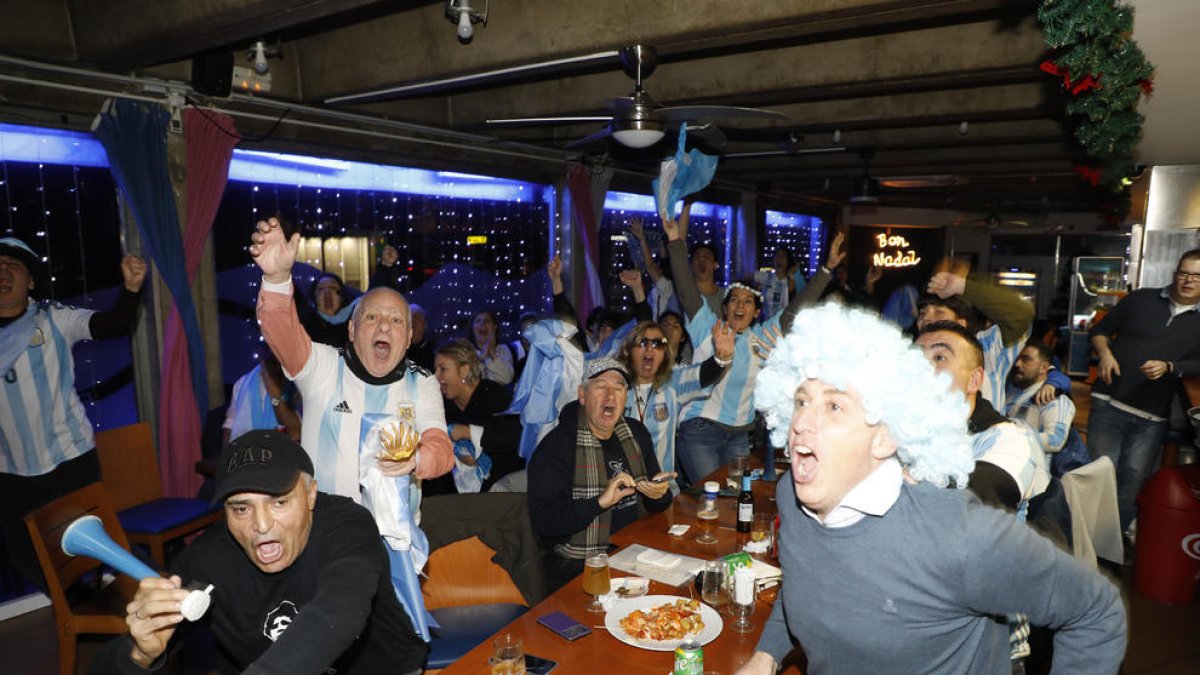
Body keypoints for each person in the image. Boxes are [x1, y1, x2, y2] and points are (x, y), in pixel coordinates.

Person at [736, 304, 1125, 675]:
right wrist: (767, 655)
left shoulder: (958, 534)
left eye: (834, 406)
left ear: (885, 438)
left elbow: (1097, 610)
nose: (802, 420)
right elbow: (809, 584)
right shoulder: (792, 492)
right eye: (801, 400)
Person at [94, 430, 427, 675]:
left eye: (279, 502)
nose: (261, 525)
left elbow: (338, 610)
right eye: (241, 508)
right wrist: (138, 653)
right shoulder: (206, 561)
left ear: (311, 495)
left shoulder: (347, 524)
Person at [250, 216, 453, 501]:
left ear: (408, 338)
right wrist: (275, 281)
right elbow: (283, 337)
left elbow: (442, 450)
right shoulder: (324, 367)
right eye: (372, 317)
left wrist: (416, 459)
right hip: (327, 531)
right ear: (352, 329)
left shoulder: (422, 382)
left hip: (395, 539)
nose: (383, 326)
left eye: (395, 320)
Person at [0, 237, 146, 589]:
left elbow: (112, 325)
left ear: (31, 281)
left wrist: (130, 290)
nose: (3, 272)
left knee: (97, 550)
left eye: (13, 266)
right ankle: (77, 610)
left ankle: (126, 607)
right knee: (25, 555)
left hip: (70, 460)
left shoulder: (53, 319)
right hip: (10, 471)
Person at [665, 205, 842, 485]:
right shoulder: (707, 327)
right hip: (700, 430)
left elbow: (797, 309)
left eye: (747, 302)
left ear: (756, 312)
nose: (740, 305)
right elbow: (686, 288)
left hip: (739, 436)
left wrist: (826, 269)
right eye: (733, 300)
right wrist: (675, 243)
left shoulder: (763, 336)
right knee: (714, 498)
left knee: (736, 502)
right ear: (724, 308)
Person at [527, 358, 673, 592]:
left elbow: (658, 504)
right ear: (582, 395)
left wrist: (660, 493)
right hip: (578, 566)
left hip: (635, 552)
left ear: (625, 399)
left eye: (618, 388)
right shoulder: (557, 447)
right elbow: (543, 521)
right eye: (601, 386)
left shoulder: (636, 433)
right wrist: (599, 503)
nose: (610, 396)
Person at [1087, 248, 1200, 537]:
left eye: (1197, 276)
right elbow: (1100, 330)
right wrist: (1105, 354)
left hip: (1152, 414)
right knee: (1100, 475)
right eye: (1184, 273)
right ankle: (1084, 537)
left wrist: (1170, 366)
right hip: (1108, 402)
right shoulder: (1141, 299)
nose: (1188, 281)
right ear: (1175, 273)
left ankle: (1110, 543)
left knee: (1133, 482)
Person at [915, 321, 1048, 511]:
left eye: (939, 358)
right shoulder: (897, 430)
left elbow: (973, 504)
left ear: (974, 380)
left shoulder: (1009, 440)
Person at [617, 318, 734, 493]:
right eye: (642, 342)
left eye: (658, 343)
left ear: (664, 353)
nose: (650, 348)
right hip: (622, 490)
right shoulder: (615, 386)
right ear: (628, 350)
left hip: (663, 489)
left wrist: (721, 359)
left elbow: (702, 375)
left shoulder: (672, 383)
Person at [919, 264, 1055, 412]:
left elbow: (1021, 313)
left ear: (961, 324)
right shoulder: (910, 356)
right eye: (922, 313)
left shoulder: (987, 348)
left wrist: (962, 287)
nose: (927, 318)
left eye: (939, 313)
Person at [428, 339, 522, 495]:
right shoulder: (444, 405)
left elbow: (514, 438)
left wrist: (468, 432)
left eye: (443, 369)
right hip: (461, 492)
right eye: (436, 369)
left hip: (503, 491)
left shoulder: (492, 395)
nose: (436, 376)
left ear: (464, 371)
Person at [1006, 342, 1077, 460]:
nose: (1017, 364)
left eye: (1026, 360)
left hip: (1032, 471)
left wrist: (1009, 438)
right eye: (1017, 359)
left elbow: (1055, 440)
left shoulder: (1053, 398)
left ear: (1044, 368)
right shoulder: (1012, 392)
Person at [222, 340, 302, 445]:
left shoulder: (297, 384)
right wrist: (226, 459)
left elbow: (295, 432)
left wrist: (270, 385)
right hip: (247, 456)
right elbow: (229, 428)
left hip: (283, 456)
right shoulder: (242, 384)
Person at [469, 309, 515, 386]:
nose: (482, 324)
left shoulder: (503, 349)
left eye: (487, 321)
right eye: (478, 321)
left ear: (494, 327)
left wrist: (492, 354)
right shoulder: (465, 351)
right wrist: (481, 358)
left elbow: (507, 378)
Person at [404, 303, 434, 373]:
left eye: (416, 317)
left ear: (425, 324)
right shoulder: (397, 352)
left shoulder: (434, 352)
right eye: (408, 318)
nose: (412, 321)